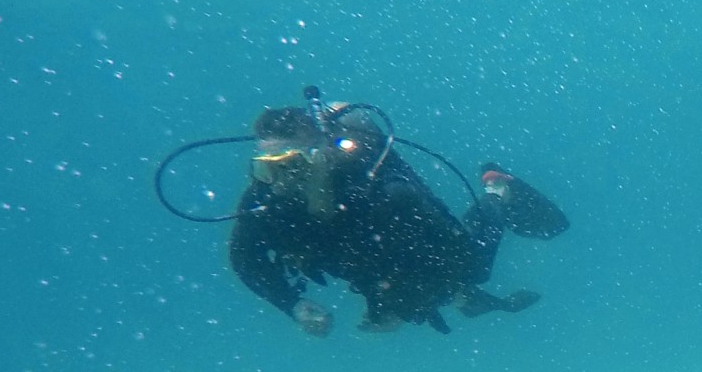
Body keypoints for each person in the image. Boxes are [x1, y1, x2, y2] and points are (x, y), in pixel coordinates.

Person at [227, 97, 567, 335]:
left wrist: (405, 299)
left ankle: (496, 192)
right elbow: (246, 260)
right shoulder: (264, 198)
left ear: (322, 157)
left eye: (291, 164)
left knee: (475, 267)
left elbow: (454, 256)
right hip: (369, 260)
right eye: (267, 167)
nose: (280, 180)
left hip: (418, 243)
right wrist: (294, 306)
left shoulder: (385, 192)